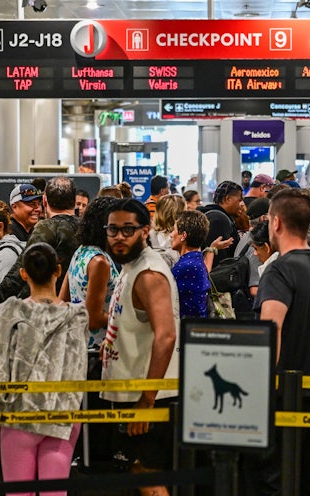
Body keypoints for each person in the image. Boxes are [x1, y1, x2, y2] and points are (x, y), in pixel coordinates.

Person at [0, 242, 88, 496]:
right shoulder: (78, 315)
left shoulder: (9, 312)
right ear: (58, 271)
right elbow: (78, 365)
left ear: (23, 273)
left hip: (20, 412)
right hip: (63, 413)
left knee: (19, 494)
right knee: (55, 494)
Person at [248, 189, 310, 495]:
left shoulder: (279, 270)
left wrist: (260, 387)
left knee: (274, 479)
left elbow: (272, 328)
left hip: (281, 394)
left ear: (275, 223)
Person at [101, 199, 180, 496]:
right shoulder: (130, 266)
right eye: (113, 230)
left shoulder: (149, 273)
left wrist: (147, 401)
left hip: (148, 399)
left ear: (144, 230)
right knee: (135, 476)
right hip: (130, 392)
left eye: (128, 230)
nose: (119, 237)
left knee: (145, 475)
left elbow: (166, 336)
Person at [0, 176, 80, 304]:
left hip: (46, 309)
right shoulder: (86, 228)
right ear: (75, 201)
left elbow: (19, 271)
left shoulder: (47, 228)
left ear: (44, 201)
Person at [59, 196, 119, 349]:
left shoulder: (81, 251)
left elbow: (62, 301)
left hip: (78, 343)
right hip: (98, 347)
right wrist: (125, 318)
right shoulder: (99, 262)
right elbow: (93, 318)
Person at [170, 210, 211, 318]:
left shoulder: (186, 266)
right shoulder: (196, 259)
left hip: (186, 329)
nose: (171, 235)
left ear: (183, 235)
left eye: (174, 230)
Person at [200, 181, 242, 267]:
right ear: (228, 199)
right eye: (240, 200)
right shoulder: (218, 221)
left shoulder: (219, 218)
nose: (242, 204)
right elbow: (220, 262)